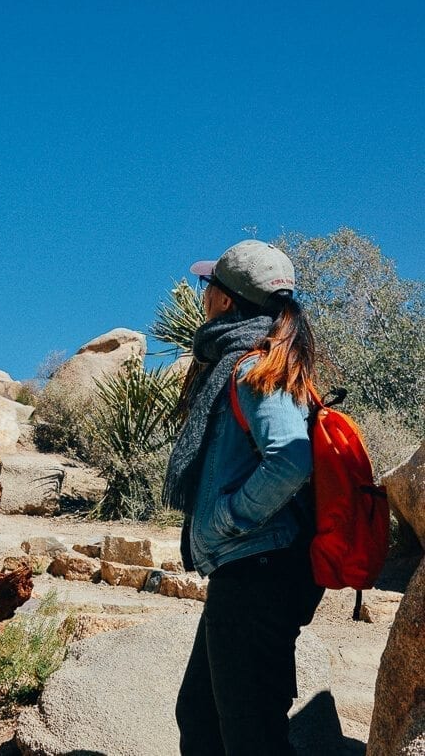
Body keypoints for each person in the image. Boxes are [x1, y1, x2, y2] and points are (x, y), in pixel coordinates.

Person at [162, 239, 325, 756]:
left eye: (208, 285)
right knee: (201, 715)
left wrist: (231, 520)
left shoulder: (253, 367)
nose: (203, 294)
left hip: (259, 570)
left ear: (226, 301)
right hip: (251, 572)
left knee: (249, 733)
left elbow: (291, 459)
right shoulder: (262, 358)